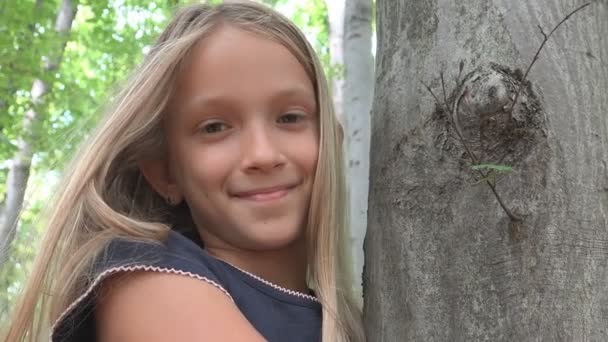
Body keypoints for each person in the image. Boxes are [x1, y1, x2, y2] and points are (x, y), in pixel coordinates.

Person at [4, 1, 365, 341]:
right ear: (165, 174)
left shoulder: (352, 314)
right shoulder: (143, 279)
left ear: (330, 142)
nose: (263, 154)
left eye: (289, 117)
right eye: (214, 127)